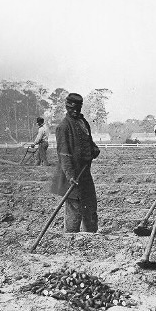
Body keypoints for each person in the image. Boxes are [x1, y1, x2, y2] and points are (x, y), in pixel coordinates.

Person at [50, 93, 100, 233]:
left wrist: (94, 149)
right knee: (74, 209)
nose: (76, 112)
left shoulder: (83, 122)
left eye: (78, 109)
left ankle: (91, 237)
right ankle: (71, 240)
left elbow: (89, 141)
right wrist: (70, 176)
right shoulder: (63, 127)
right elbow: (64, 154)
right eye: (72, 109)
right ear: (67, 107)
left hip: (85, 174)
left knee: (90, 206)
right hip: (72, 177)